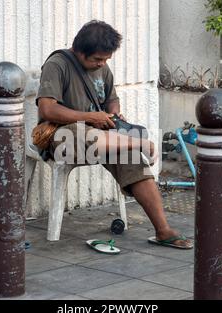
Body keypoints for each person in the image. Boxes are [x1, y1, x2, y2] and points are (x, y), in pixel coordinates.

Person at [36, 20, 193, 249]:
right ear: (80, 51)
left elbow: (112, 99)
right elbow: (47, 109)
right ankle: (135, 143)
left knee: (132, 158)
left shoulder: (102, 67)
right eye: (97, 59)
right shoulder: (57, 64)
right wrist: (89, 117)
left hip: (104, 137)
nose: (102, 63)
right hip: (63, 135)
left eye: (105, 59)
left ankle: (163, 229)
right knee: (85, 135)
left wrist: (113, 115)